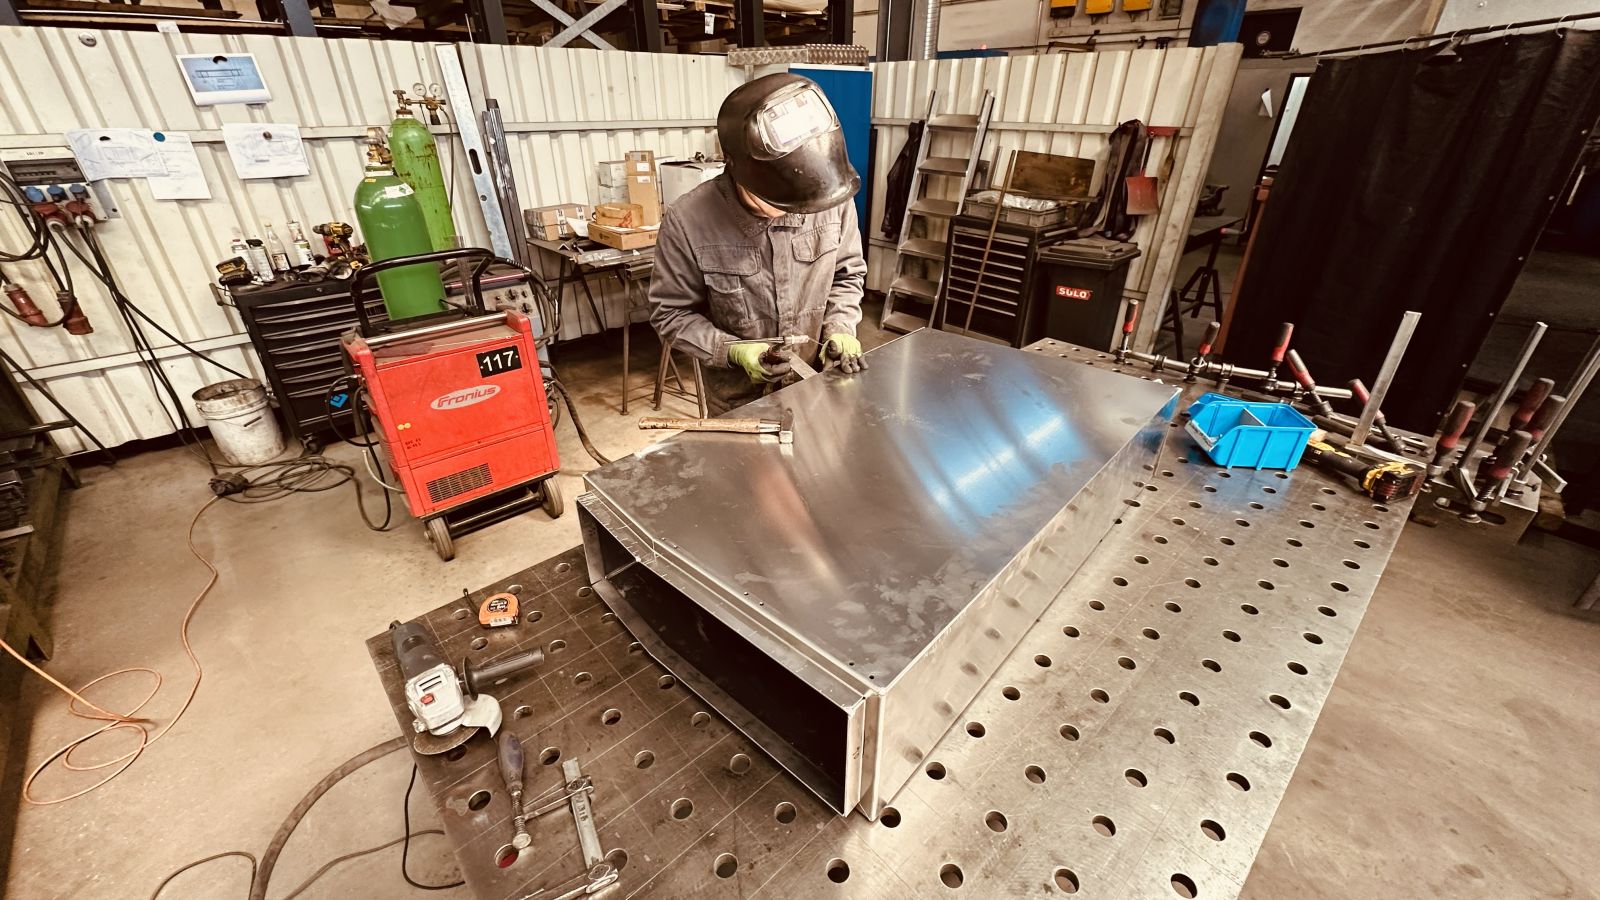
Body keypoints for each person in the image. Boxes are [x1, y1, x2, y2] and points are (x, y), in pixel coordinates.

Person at [649, 73, 868, 416]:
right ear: (739, 171)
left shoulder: (827, 195)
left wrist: (840, 328)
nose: (795, 213)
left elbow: (847, 275)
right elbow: (671, 313)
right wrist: (733, 351)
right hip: (737, 402)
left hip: (816, 388)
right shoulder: (688, 220)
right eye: (782, 202)